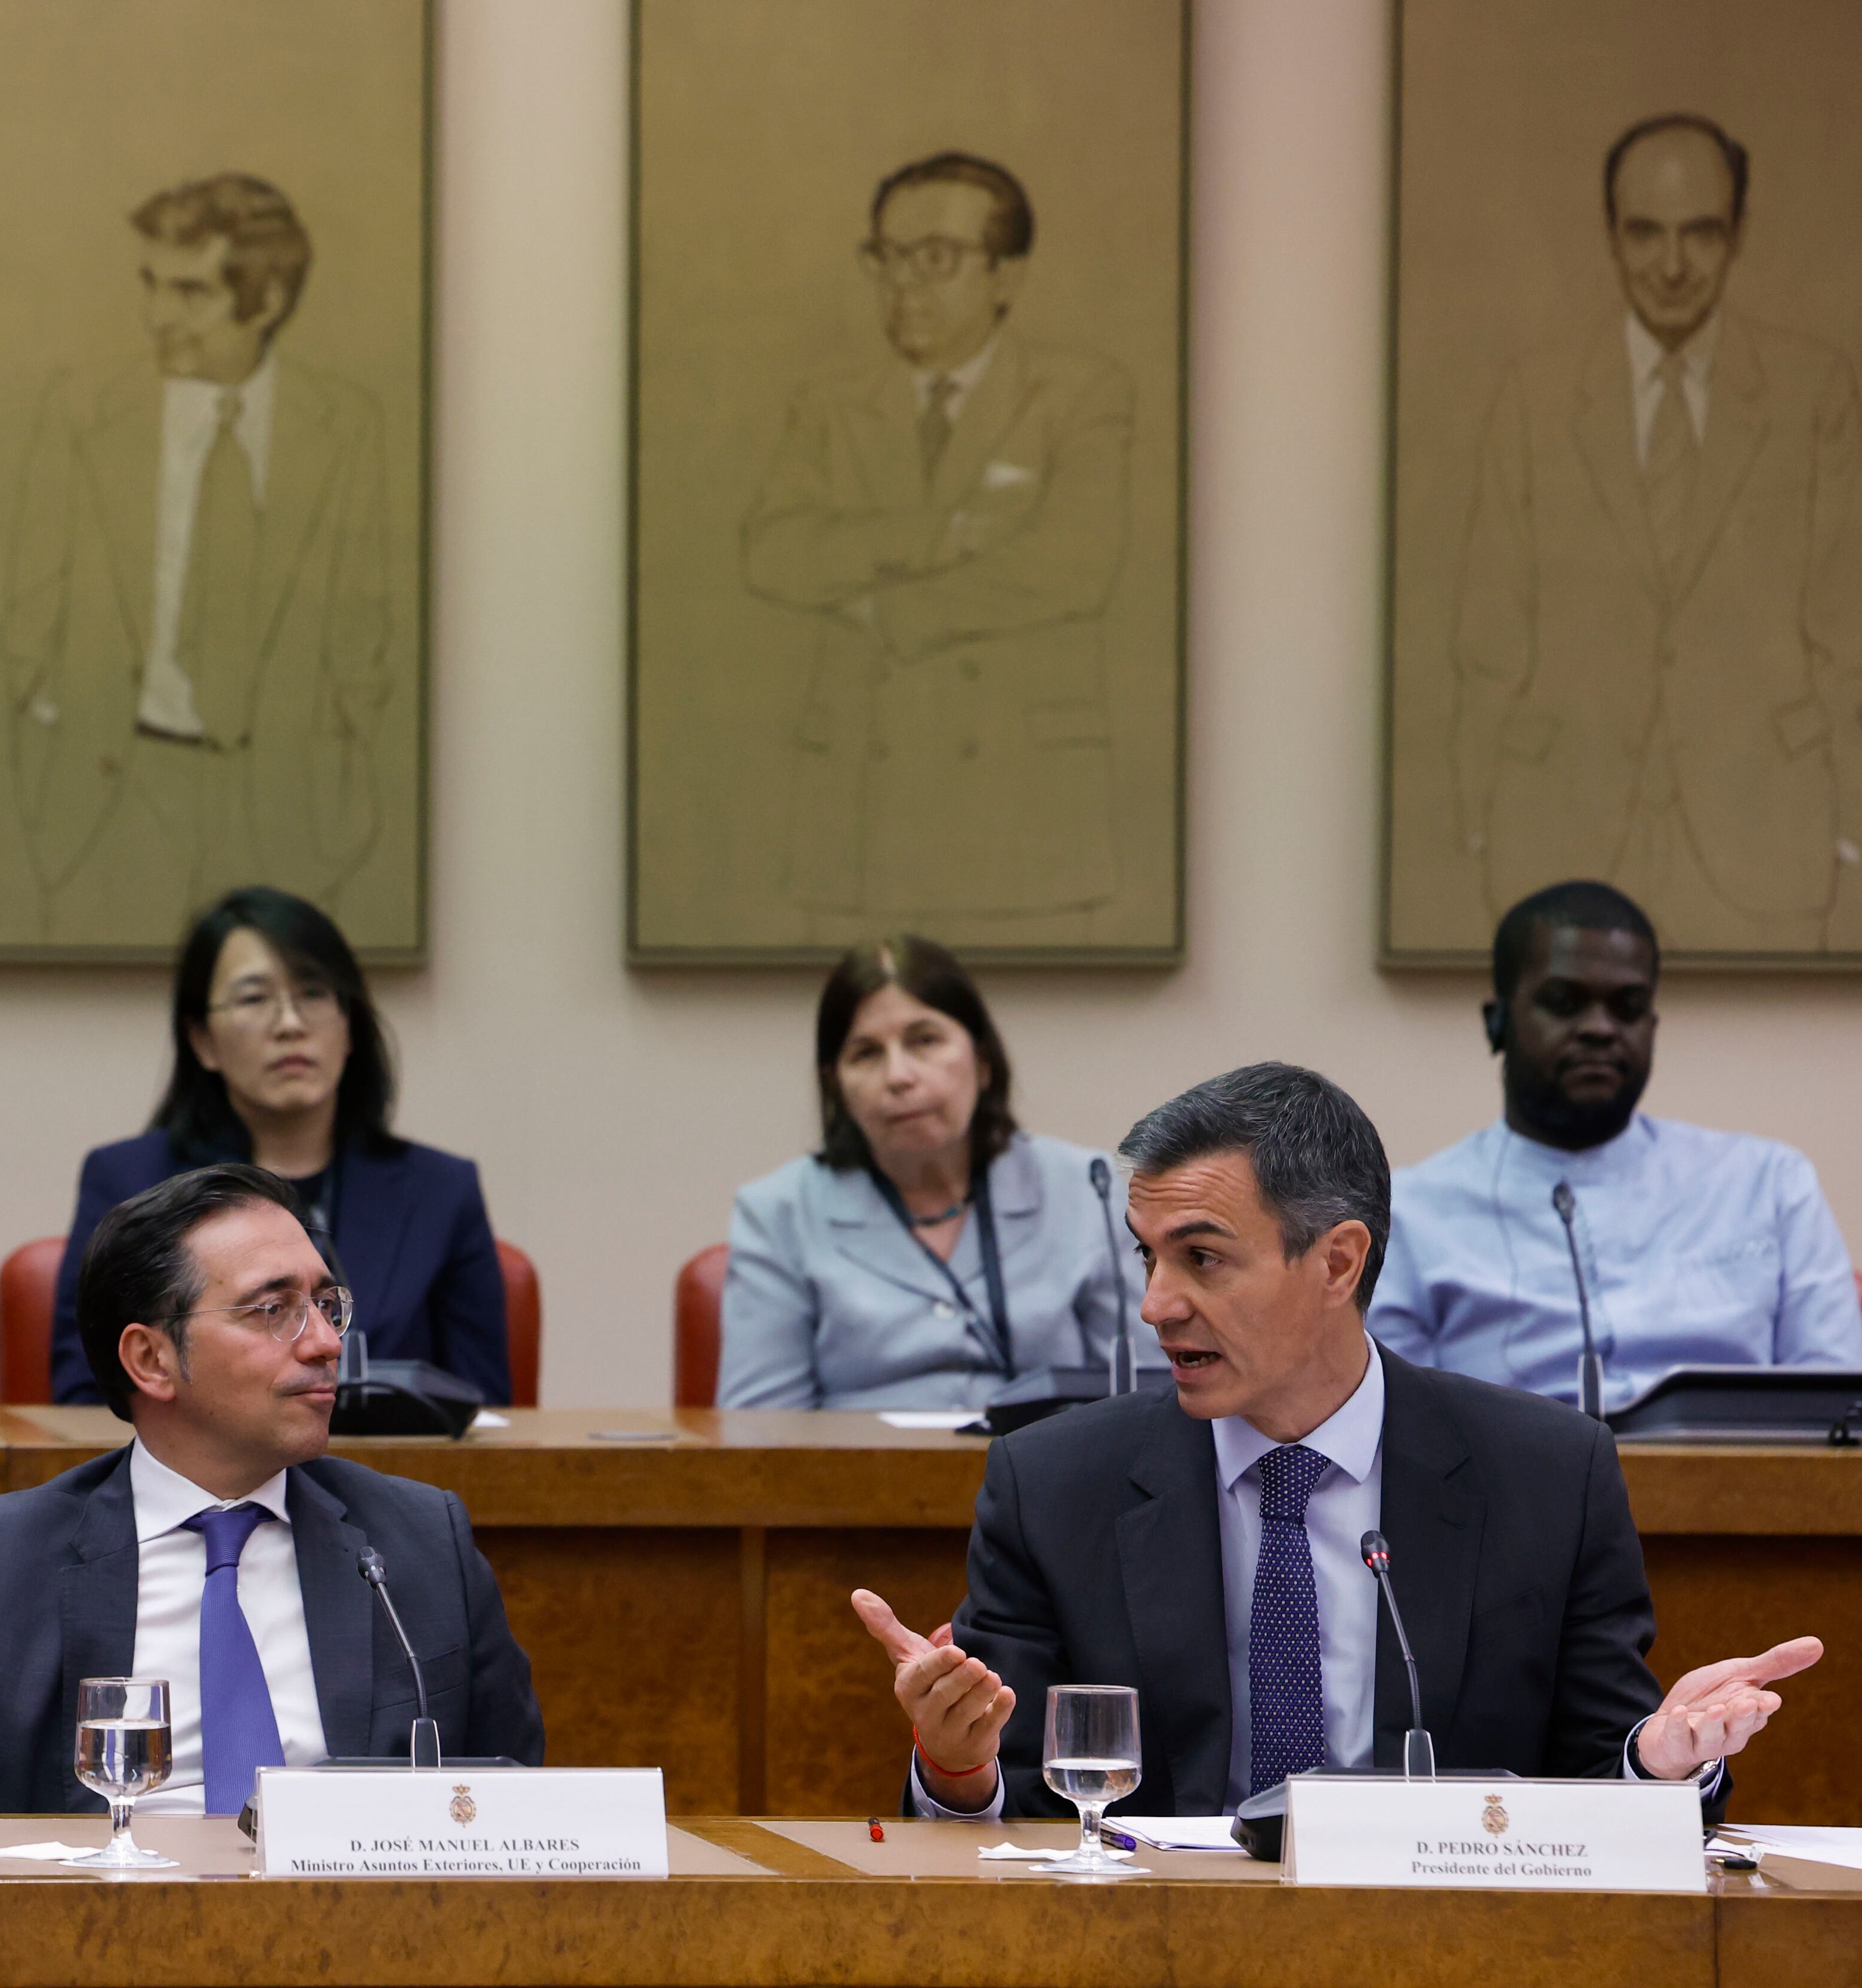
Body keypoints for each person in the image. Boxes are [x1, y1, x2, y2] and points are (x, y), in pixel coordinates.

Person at [849, 1062, 1820, 1821]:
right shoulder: (1056, 1485)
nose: (1156, 1304)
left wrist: (1660, 1762)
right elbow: (1015, 1824)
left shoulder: (1547, 1476)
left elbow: (1600, 1785)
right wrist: (958, 1767)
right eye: (1149, 1256)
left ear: (1338, 1261)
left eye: (1202, 1257)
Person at [0, 1164, 542, 1814]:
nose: (326, 1344)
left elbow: (520, 1804)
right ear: (151, 1360)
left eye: (325, 1307)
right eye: (273, 1311)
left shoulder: (421, 1541)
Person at [1450, 114, 1862, 953]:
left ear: (1737, 233)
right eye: (1644, 232)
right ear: (1610, 234)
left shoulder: (1814, 391)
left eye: (1700, 232)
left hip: (1765, 836)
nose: (1671, 266)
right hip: (1559, 832)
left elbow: (1847, 634)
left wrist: (1849, 822)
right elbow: (1488, 637)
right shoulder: (1533, 397)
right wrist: (1478, 824)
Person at [743, 152, 1133, 931]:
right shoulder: (829, 403)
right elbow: (774, 552)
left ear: (1006, 276)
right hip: (858, 806)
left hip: (1018, 803)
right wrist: (942, 534)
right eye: (886, 257)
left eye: (936, 258)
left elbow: (1071, 565)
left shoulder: (1080, 392)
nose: (903, 284)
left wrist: (886, 612)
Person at [1, 172, 392, 943]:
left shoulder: (345, 426)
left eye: (190, 292)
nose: (156, 316)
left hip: (286, 813)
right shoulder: (82, 411)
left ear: (266, 301)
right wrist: (51, 740)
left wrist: (337, 778)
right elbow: (28, 617)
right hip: (111, 801)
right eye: (151, 284)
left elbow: (363, 632)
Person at [1372, 881, 1861, 1407]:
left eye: (1628, 1007)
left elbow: (1837, 1410)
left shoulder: (1768, 1185)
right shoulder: (1407, 1217)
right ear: (1498, 1023)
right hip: (1516, 1460)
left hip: (1738, 1460)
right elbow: (1398, 1427)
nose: (1601, 1029)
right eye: (1564, 1003)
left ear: (1652, 1026)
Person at [48, 887, 507, 1406]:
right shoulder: (128, 1181)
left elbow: (484, 1408)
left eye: (313, 993)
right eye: (254, 998)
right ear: (203, 1040)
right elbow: (87, 1397)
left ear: (350, 1027)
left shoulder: (442, 1192)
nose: (290, 1024)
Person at [719, 938, 1152, 1411]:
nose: (898, 1076)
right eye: (866, 1053)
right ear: (836, 1086)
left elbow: (1145, 1398)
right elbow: (758, 1430)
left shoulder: (1087, 1188)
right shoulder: (778, 1213)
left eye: (924, 1041)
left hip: (1050, 1459)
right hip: (856, 1461)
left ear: (982, 1061)